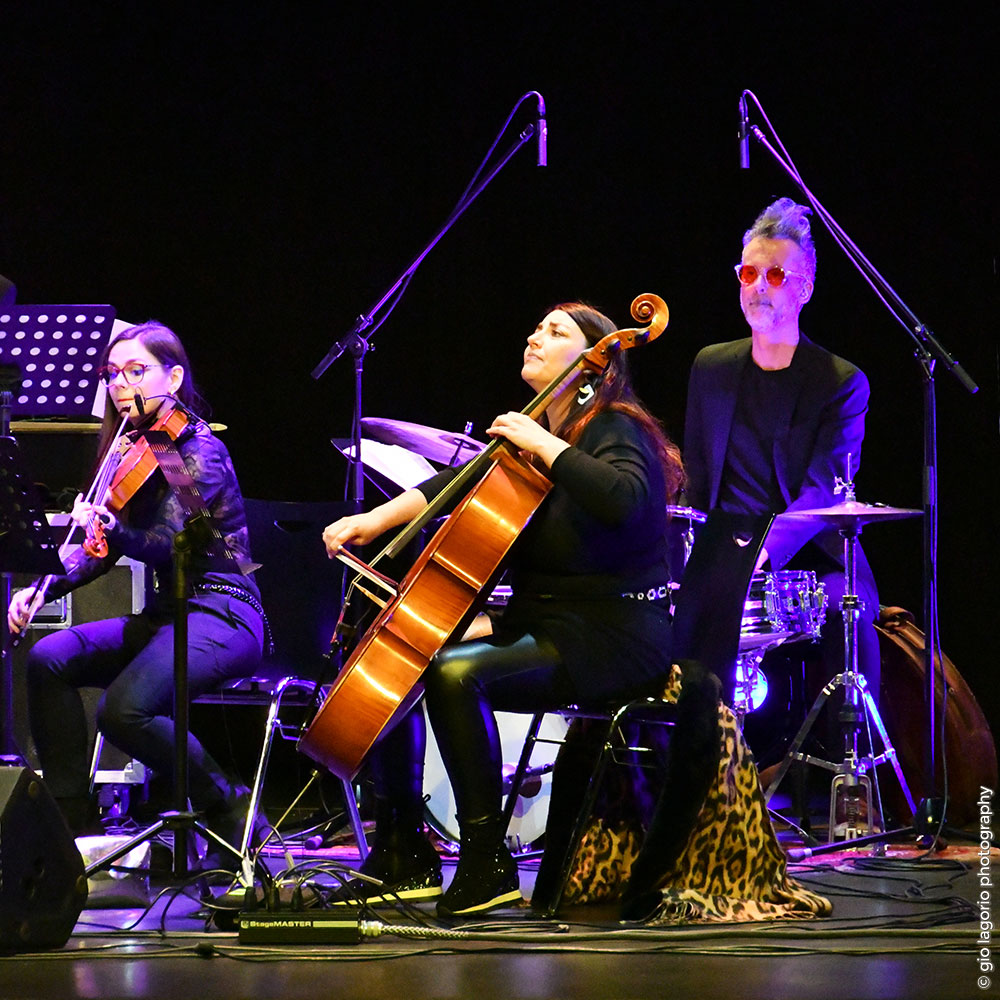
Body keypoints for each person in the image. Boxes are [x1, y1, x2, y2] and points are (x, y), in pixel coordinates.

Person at [322, 301, 684, 916]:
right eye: (536, 325)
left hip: (615, 630)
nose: (534, 335)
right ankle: (404, 847)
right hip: (548, 622)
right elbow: (453, 485)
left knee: (456, 672)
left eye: (555, 331)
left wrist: (541, 442)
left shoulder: (613, 425)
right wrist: (370, 519)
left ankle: (488, 859)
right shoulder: (542, 429)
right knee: (408, 652)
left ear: (595, 362)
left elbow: (627, 500)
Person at [8, 321, 264, 867]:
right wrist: (41, 586)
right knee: (48, 657)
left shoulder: (198, 451)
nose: (123, 385)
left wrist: (113, 526)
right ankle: (69, 820)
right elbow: (96, 551)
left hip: (224, 611)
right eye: (114, 375)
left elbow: (175, 544)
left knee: (122, 710)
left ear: (173, 377)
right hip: (168, 616)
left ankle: (232, 806)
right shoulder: (133, 451)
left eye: (137, 371)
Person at [683, 197, 881, 725]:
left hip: (812, 558)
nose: (758, 286)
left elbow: (825, 491)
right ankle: (690, 773)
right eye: (749, 273)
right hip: (727, 547)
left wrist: (762, 555)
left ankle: (854, 772)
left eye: (774, 274)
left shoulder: (840, 381)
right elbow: (697, 479)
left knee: (852, 616)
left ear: (805, 288)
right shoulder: (711, 366)